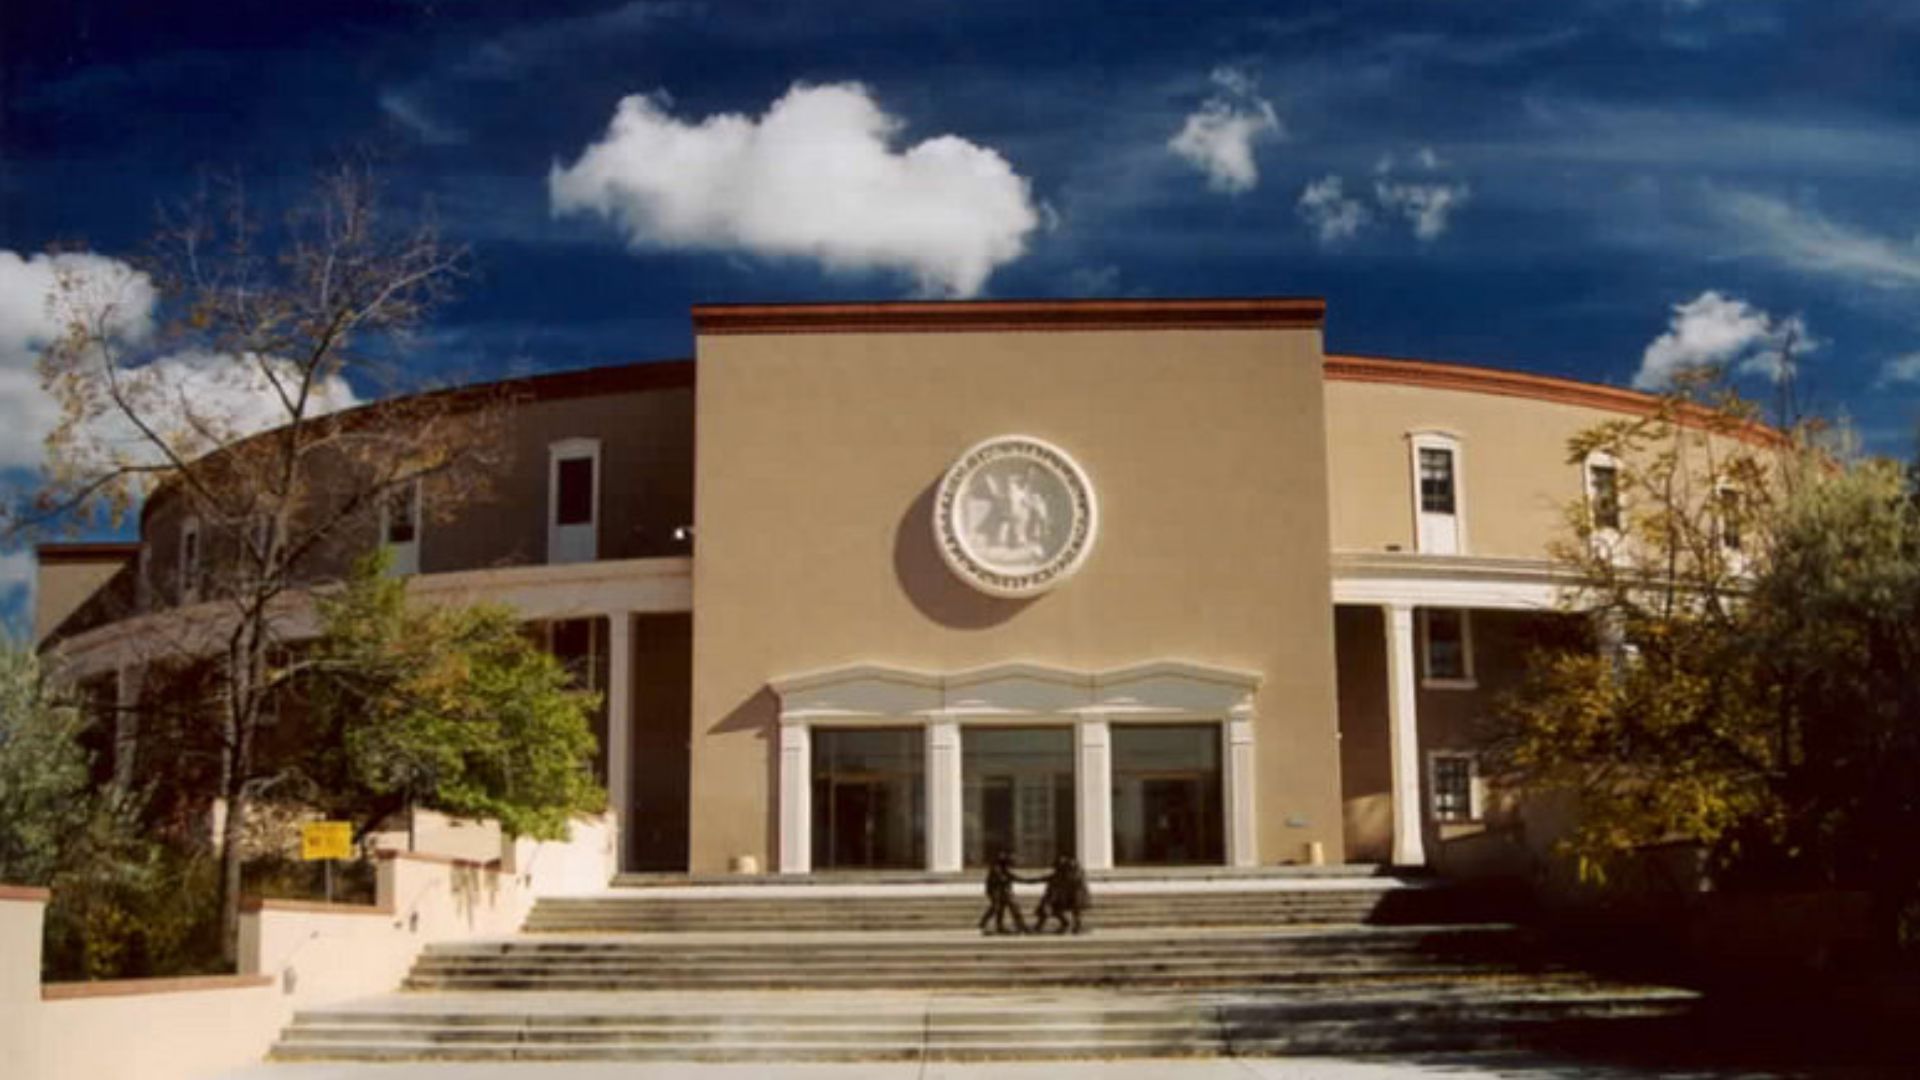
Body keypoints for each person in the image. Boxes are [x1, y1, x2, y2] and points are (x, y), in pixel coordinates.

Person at [1032, 854, 1091, 934]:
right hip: (1067, 898)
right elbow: (1049, 882)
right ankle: (1069, 924)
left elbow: (1056, 888)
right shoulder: (1061, 875)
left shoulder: (1070, 875)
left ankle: (1074, 925)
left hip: (1073, 897)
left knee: (1074, 910)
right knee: (1050, 908)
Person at [978, 850, 1030, 935]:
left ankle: (1003, 926)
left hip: (1003, 891)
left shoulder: (1003, 867)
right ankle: (984, 924)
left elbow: (1009, 876)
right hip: (997, 891)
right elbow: (1002, 878)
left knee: (1004, 908)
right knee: (997, 907)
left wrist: (1027, 881)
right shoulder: (996, 867)